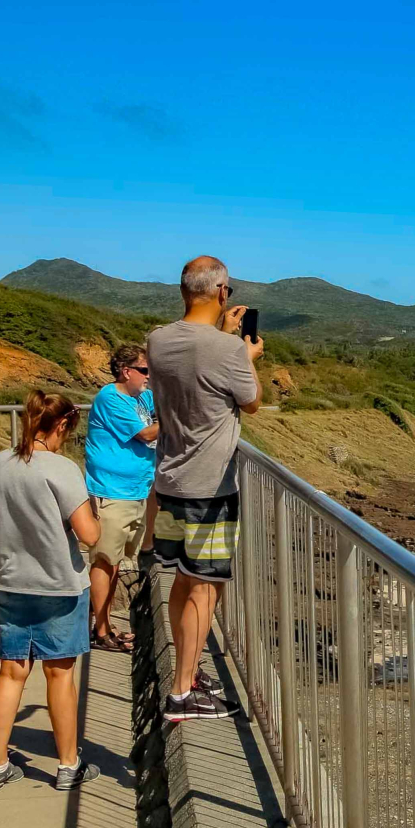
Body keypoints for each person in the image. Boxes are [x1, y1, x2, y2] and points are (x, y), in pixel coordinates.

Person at [148, 255, 264, 721]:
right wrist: (244, 352)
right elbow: (250, 403)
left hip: (171, 480)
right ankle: (182, 694)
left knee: (183, 581)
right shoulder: (227, 350)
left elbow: (195, 372)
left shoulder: (157, 340)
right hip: (209, 489)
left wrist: (225, 336)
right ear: (221, 292)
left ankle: (189, 674)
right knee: (205, 589)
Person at [0, 390, 102, 793]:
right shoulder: (62, 469)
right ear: (61, 424)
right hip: (59, 586)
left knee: (11, 672)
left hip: (11, 583)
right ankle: (68, 765)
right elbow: (90, 534)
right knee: (59, 675)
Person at [84, 344, 159, 650]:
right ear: (126, 371)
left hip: (134, 491)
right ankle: (100, 632)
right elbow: (146, 434)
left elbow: (168, 395)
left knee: (114, 563)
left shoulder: (139, 396)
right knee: (104, 561)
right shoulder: (111, 398)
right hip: (112, 493)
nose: (148, 377)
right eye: (144, 371)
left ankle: (104, 625)